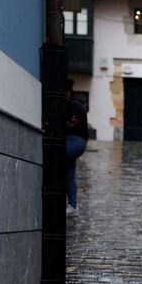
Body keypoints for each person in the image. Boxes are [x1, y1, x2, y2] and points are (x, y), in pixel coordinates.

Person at [65, 80, 89, 216]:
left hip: (75, 141)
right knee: (69, 173)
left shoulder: (74, 106)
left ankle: (71, 204)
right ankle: (72, 206)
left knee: (56, 160)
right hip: (74, 141)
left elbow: (72, 123)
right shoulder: (73, 105)